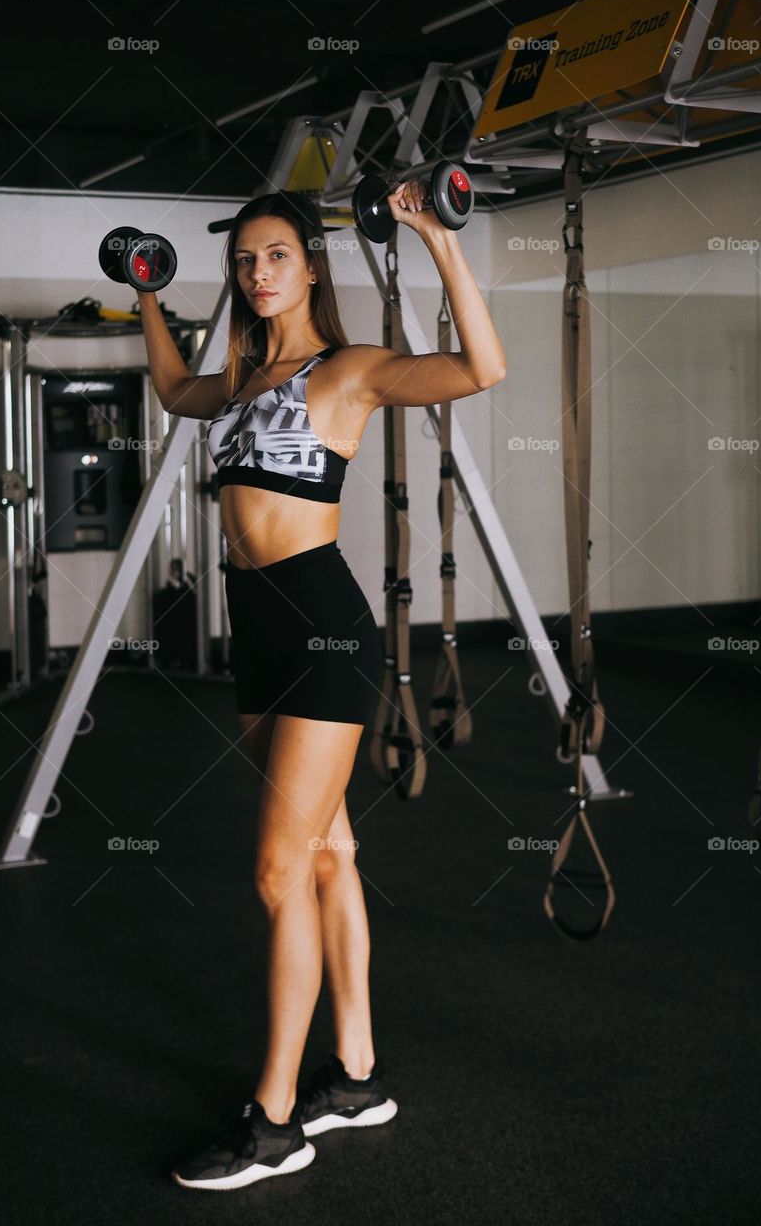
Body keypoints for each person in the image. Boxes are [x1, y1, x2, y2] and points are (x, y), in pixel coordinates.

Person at [136, 179, 507, 1190]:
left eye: (277, 257)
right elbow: (174, 392)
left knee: (275, 870)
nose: (259, 274)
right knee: (330, 852)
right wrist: (144, 297)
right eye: (246, 260)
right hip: (254, 631)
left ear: (310, 263)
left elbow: (484, 366)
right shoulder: (246, 382)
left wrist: (434, 236)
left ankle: (273, 1120)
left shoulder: (349, 371)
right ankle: (355, 1074)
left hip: (321, 630)